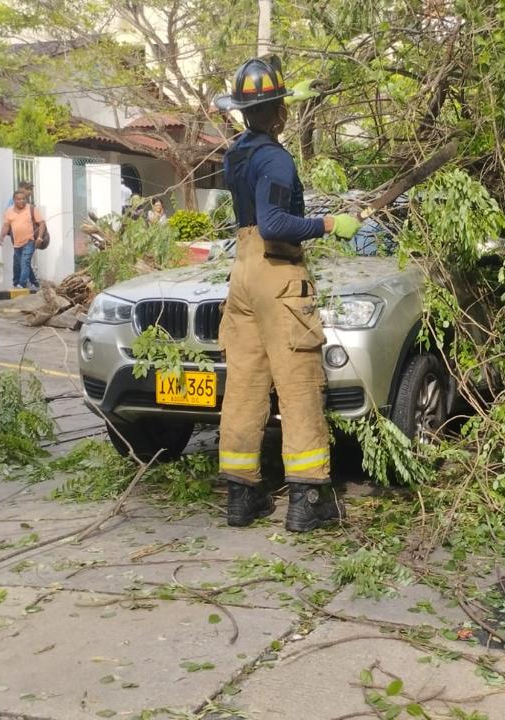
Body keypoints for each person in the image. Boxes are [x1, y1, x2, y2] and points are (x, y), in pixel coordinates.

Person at [213, 56, 361, 532]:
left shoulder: (237, 153)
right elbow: (276, 224)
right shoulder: (276, 157)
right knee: (297, 384)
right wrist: (329, 224)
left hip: (242, 273)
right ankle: (307, 500)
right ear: (278, 112)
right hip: (277, 272)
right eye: (283, 108)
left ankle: (241, 497)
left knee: (245, 385)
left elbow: (257, 217)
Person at [0, 189, 46, 291]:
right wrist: (1, 236)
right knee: (20, 263)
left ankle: (22, 284)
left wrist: (40, 237)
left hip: (30, 241)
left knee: (24, 262)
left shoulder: (31, 209)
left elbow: (42, 223)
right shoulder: (9, 211)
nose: (22, 201)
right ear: (14, 200)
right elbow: (6, 225)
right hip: (16, 243)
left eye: (24, 199)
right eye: (19, 199)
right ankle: (34, 282)